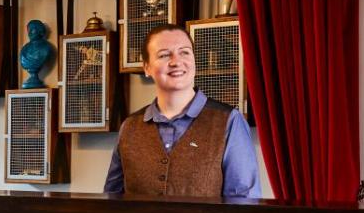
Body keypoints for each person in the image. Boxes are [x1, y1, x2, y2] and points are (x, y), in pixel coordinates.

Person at [103, 23, 260, 198]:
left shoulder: (230, 121)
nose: (176, 62)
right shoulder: (129, 127)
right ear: (147, 68)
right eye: (164, 55)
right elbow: (112, 198)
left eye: (184, 52)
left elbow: (243, 202)